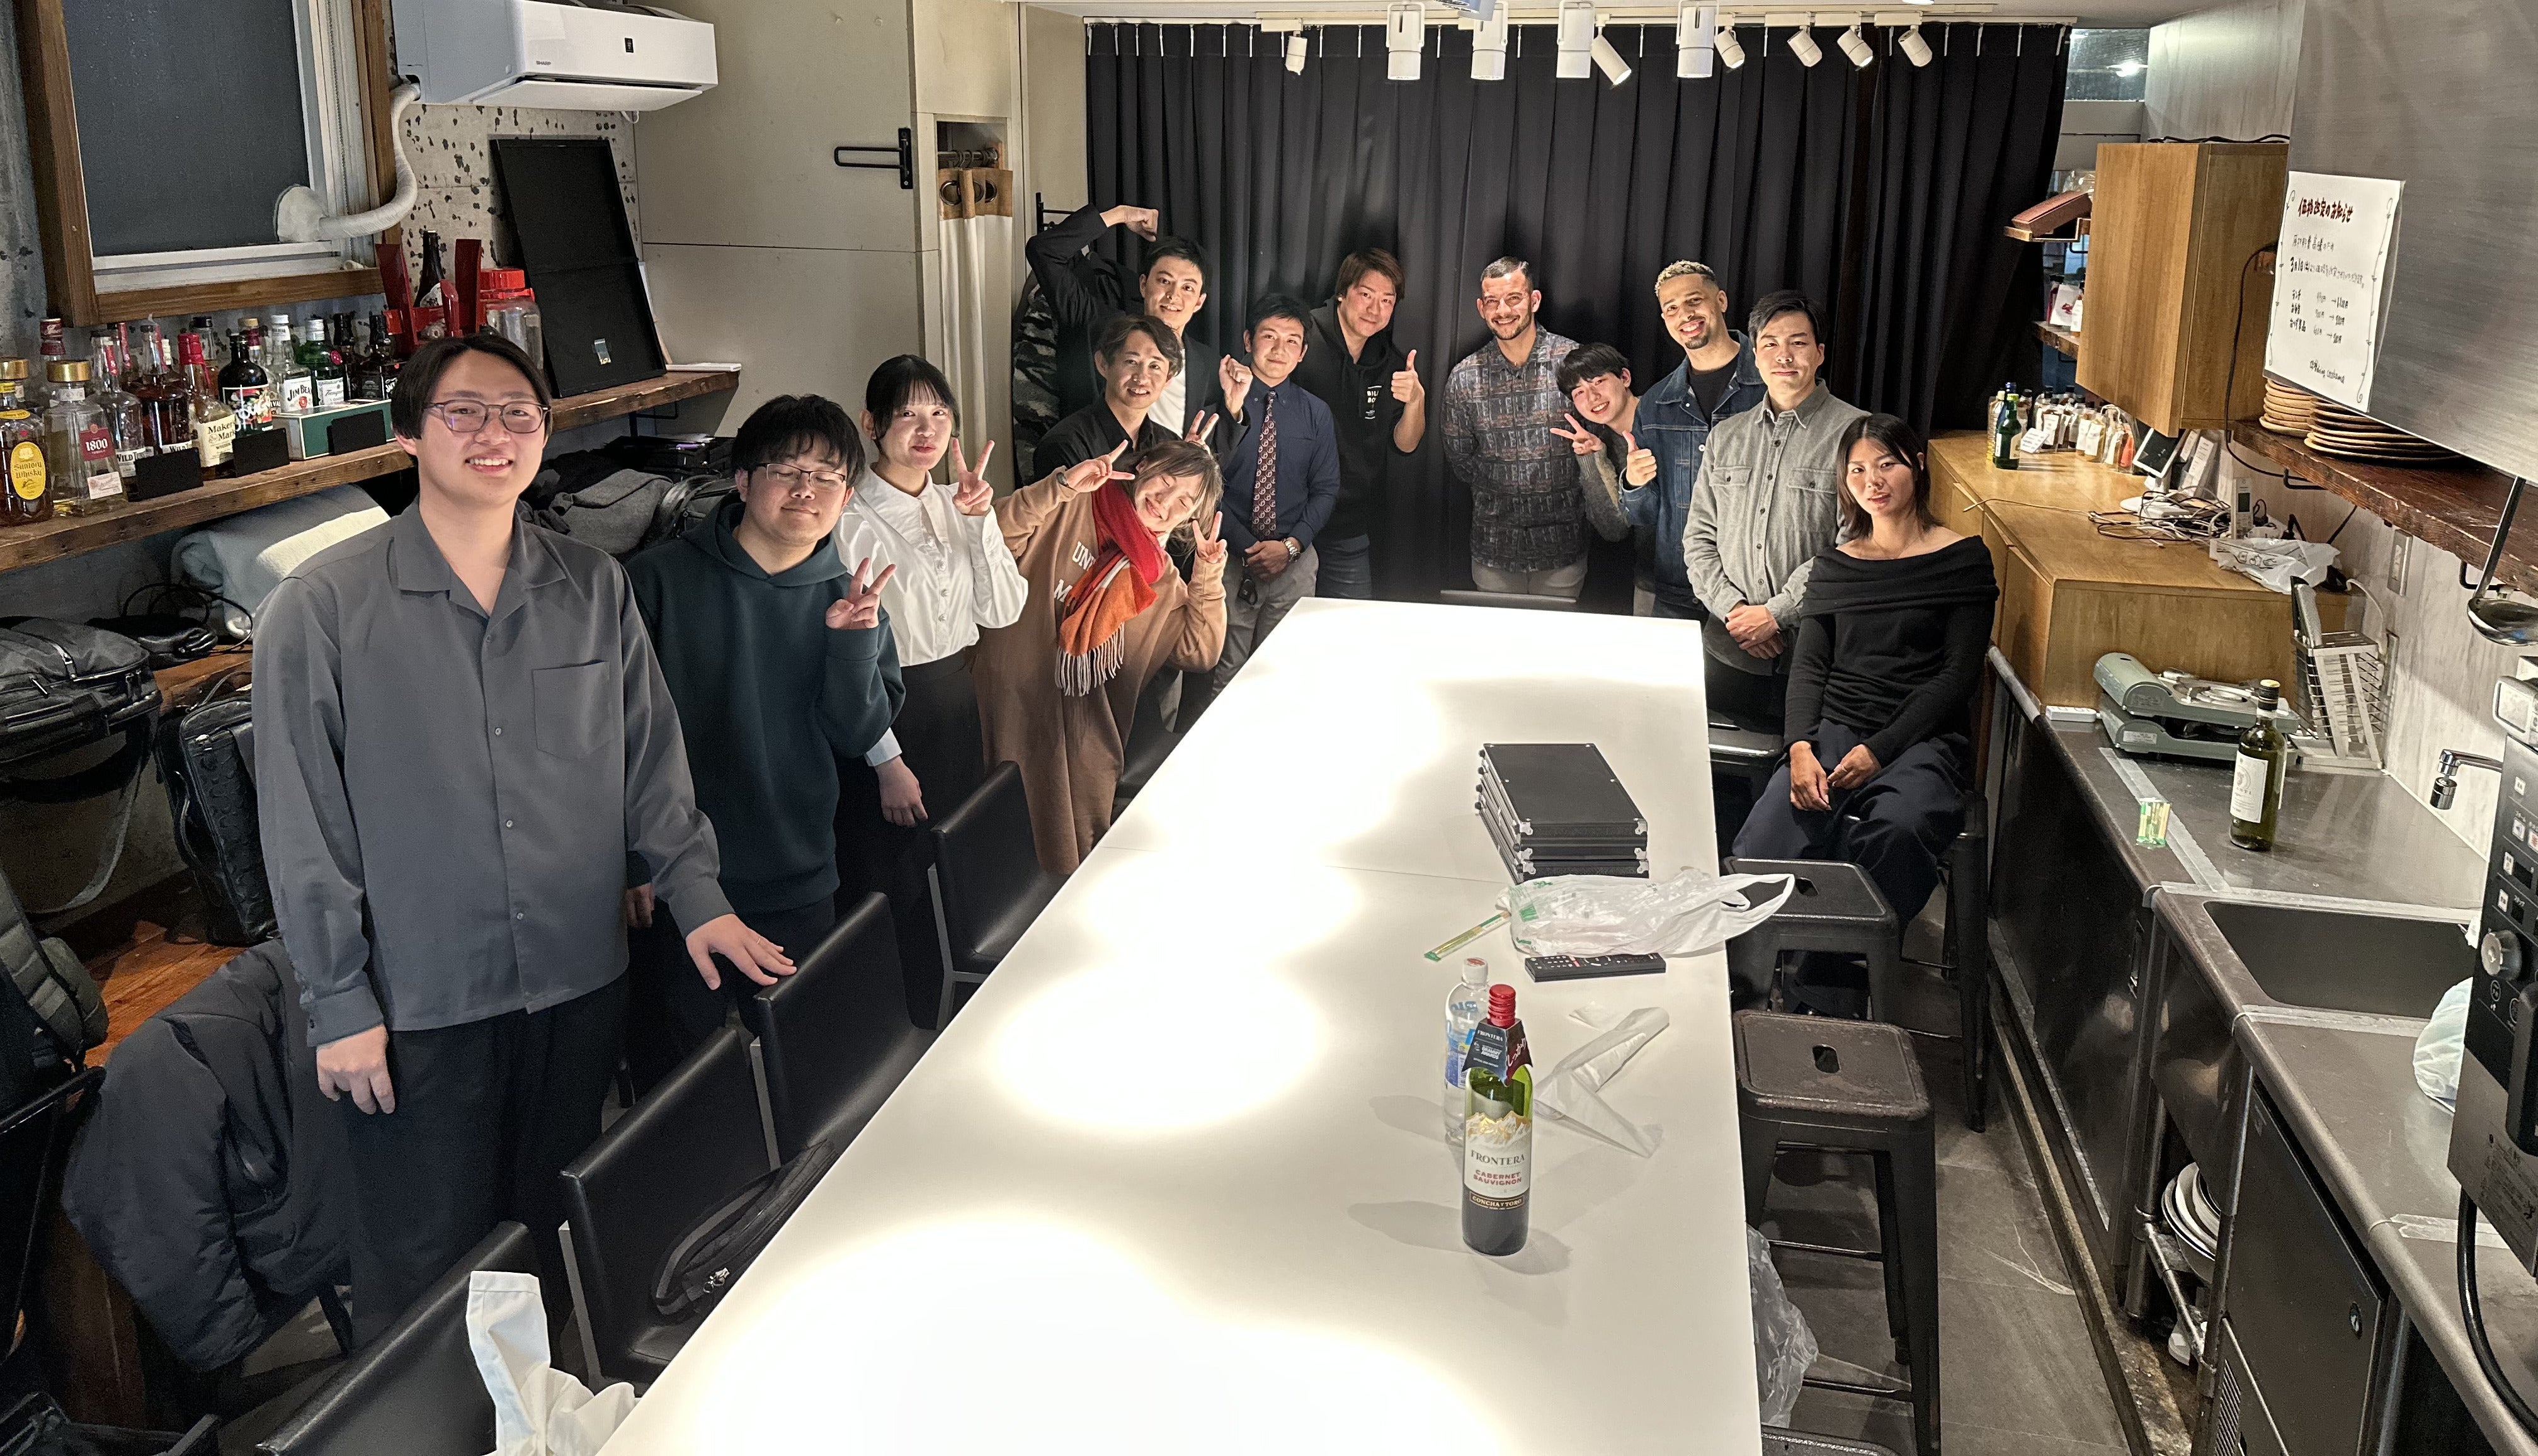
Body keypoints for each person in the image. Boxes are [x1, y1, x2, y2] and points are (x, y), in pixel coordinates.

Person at [254, 334, 791, 1341]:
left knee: (551, 1238)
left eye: (518, 414)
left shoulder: (591, 586)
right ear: (408, 435)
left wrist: (698, 898)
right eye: (463, 412)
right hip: (417, 1004)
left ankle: (544, 1415)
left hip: (576, 978)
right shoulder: (320, 608)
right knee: (426, 1276)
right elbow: (302, 825)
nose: (493, 434)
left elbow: (649, 762)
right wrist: (338, 1001)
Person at [621, 394, 905, 1090]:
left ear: (847, 497)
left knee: (804, 1066)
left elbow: (858, 735)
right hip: (679, 877)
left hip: (798, 869)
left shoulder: (850, 595)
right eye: (787, 470)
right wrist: (630, 860)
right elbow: (614, 737)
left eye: (828, 477)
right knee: (680, 1080)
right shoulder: (657, 579)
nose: (807, 490)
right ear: (744, 481)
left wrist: (853, 643)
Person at [1733, 415, 1998, 1001]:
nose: (1872, 481)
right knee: (1766, 837)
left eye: (1886, 464)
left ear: (1917, 466)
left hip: (1923, 738)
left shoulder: (1962, 560)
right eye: (1857, 470)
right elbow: (1809, 668)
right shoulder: (1835, 566)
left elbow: (1956, 677)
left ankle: (1835, 981)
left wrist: (1880, 750)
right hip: (1835, 727)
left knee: (1897, 830)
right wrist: (1800, 747)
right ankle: (1749, 980)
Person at [833, 356, 1030, 1018]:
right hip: (885, 708)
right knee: (892, 874)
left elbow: (1001, 611)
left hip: (955, 699)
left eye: (939, 415)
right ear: (871, 423)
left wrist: (978, 521)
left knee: (955, 857)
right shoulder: (847, 514)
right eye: (908, 414)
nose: (927, 430)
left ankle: (956, 1007)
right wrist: (884, 759)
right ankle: (900, 1020)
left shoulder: (956, 501)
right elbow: (846, 653)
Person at [974, 438, 1228, 873]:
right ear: (1143, 466)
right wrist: (1060, 487)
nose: (1165, 502)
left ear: (1189, 520)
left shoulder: (1158, 578)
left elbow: (1199, 651)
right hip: (1008, 704)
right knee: (996, 849)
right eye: (1166, 482)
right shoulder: (1074, 503)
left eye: (1184, 502)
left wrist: (1208, 575)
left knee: (1069, 859)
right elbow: (993, 537)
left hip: (1082, 732)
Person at [1682, 290, 1867, 734]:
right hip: (1726, 651)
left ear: (1820, 353)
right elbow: (1698, 538)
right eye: (1770, 343)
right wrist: (1736, 612)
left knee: (1806, 769)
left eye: (1798, 343)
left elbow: (1857, 546)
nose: (1784, 356)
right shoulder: (1727, 436)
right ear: (1755, 355)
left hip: (1815, 656)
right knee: (1718, 768)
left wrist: (1775, 615)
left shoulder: (1858, 434)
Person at [1617, 262, 1767, 618]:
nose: (1684, 314)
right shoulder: (1656, 403)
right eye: (1671, 308)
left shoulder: (1771, 384)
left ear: (1721, 301)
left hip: (1754, 592)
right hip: (1678, 589)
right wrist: (1634, 484)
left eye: (1694, 301)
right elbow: (1643, 516)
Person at [1212, 294, 1340, 690]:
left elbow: (1326, 489)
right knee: (1225, 673)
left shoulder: (1316, 413)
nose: (1279, 349)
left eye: (1291, 341)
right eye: (1269, 336)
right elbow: (1205, 486)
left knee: (1284, 675)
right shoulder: (1219, 403)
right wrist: (1248, 547)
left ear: (1302, 353)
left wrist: (1291, 547)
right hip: (1229, 558)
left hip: (1294, 562)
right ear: (1248, 340)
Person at [1024, 202, 1228, 441]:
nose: (1173, 296)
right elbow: (1043, 251)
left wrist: (1235, 409)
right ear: (1143, 284)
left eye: (1187, 288)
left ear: (1199, 302)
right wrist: (1120, 215)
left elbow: (1214, 443)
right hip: (1091, 462)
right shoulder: (1098, 324)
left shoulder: (1208, 364)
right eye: (1164, 281)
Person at [1442, 258, 1584, 599]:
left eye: (1514, 298)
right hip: (1494, 549)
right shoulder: (1465, 377)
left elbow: (1597, 445)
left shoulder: (1573, 362)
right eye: (1492, 301)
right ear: (1481, 308)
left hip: (1561, 547)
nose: (1503, 310)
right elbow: (1460, 460)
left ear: (1534, 300)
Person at [1292, 249, 1426, 599]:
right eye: (1366, 295)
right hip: (1287, 524)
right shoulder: (1300, 337)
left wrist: (1415, 402)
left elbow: (1406, 444)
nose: (1375, 309)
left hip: (1348, 529)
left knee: (1349, 628)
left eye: (1387, 300)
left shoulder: (1390, 361)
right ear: (1342, 292)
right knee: (1282, 628)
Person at [1035, 313, 1215, 474]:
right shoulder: (1066, 443)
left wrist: (1188, 467)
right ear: (1103, 364)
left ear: (1168, 378)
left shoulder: (1169, 445)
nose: (1142, 378)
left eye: (1154, 366)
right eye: (1131, 362)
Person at [1550, 343, 1651, 594]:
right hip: (1652, 579)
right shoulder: (1603, 442)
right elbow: (1614, 530)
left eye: (1598, 382)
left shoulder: (1668, 419)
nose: (1592, 397)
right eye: (1579, 392)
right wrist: (1593, 460)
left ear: (1624, 378)